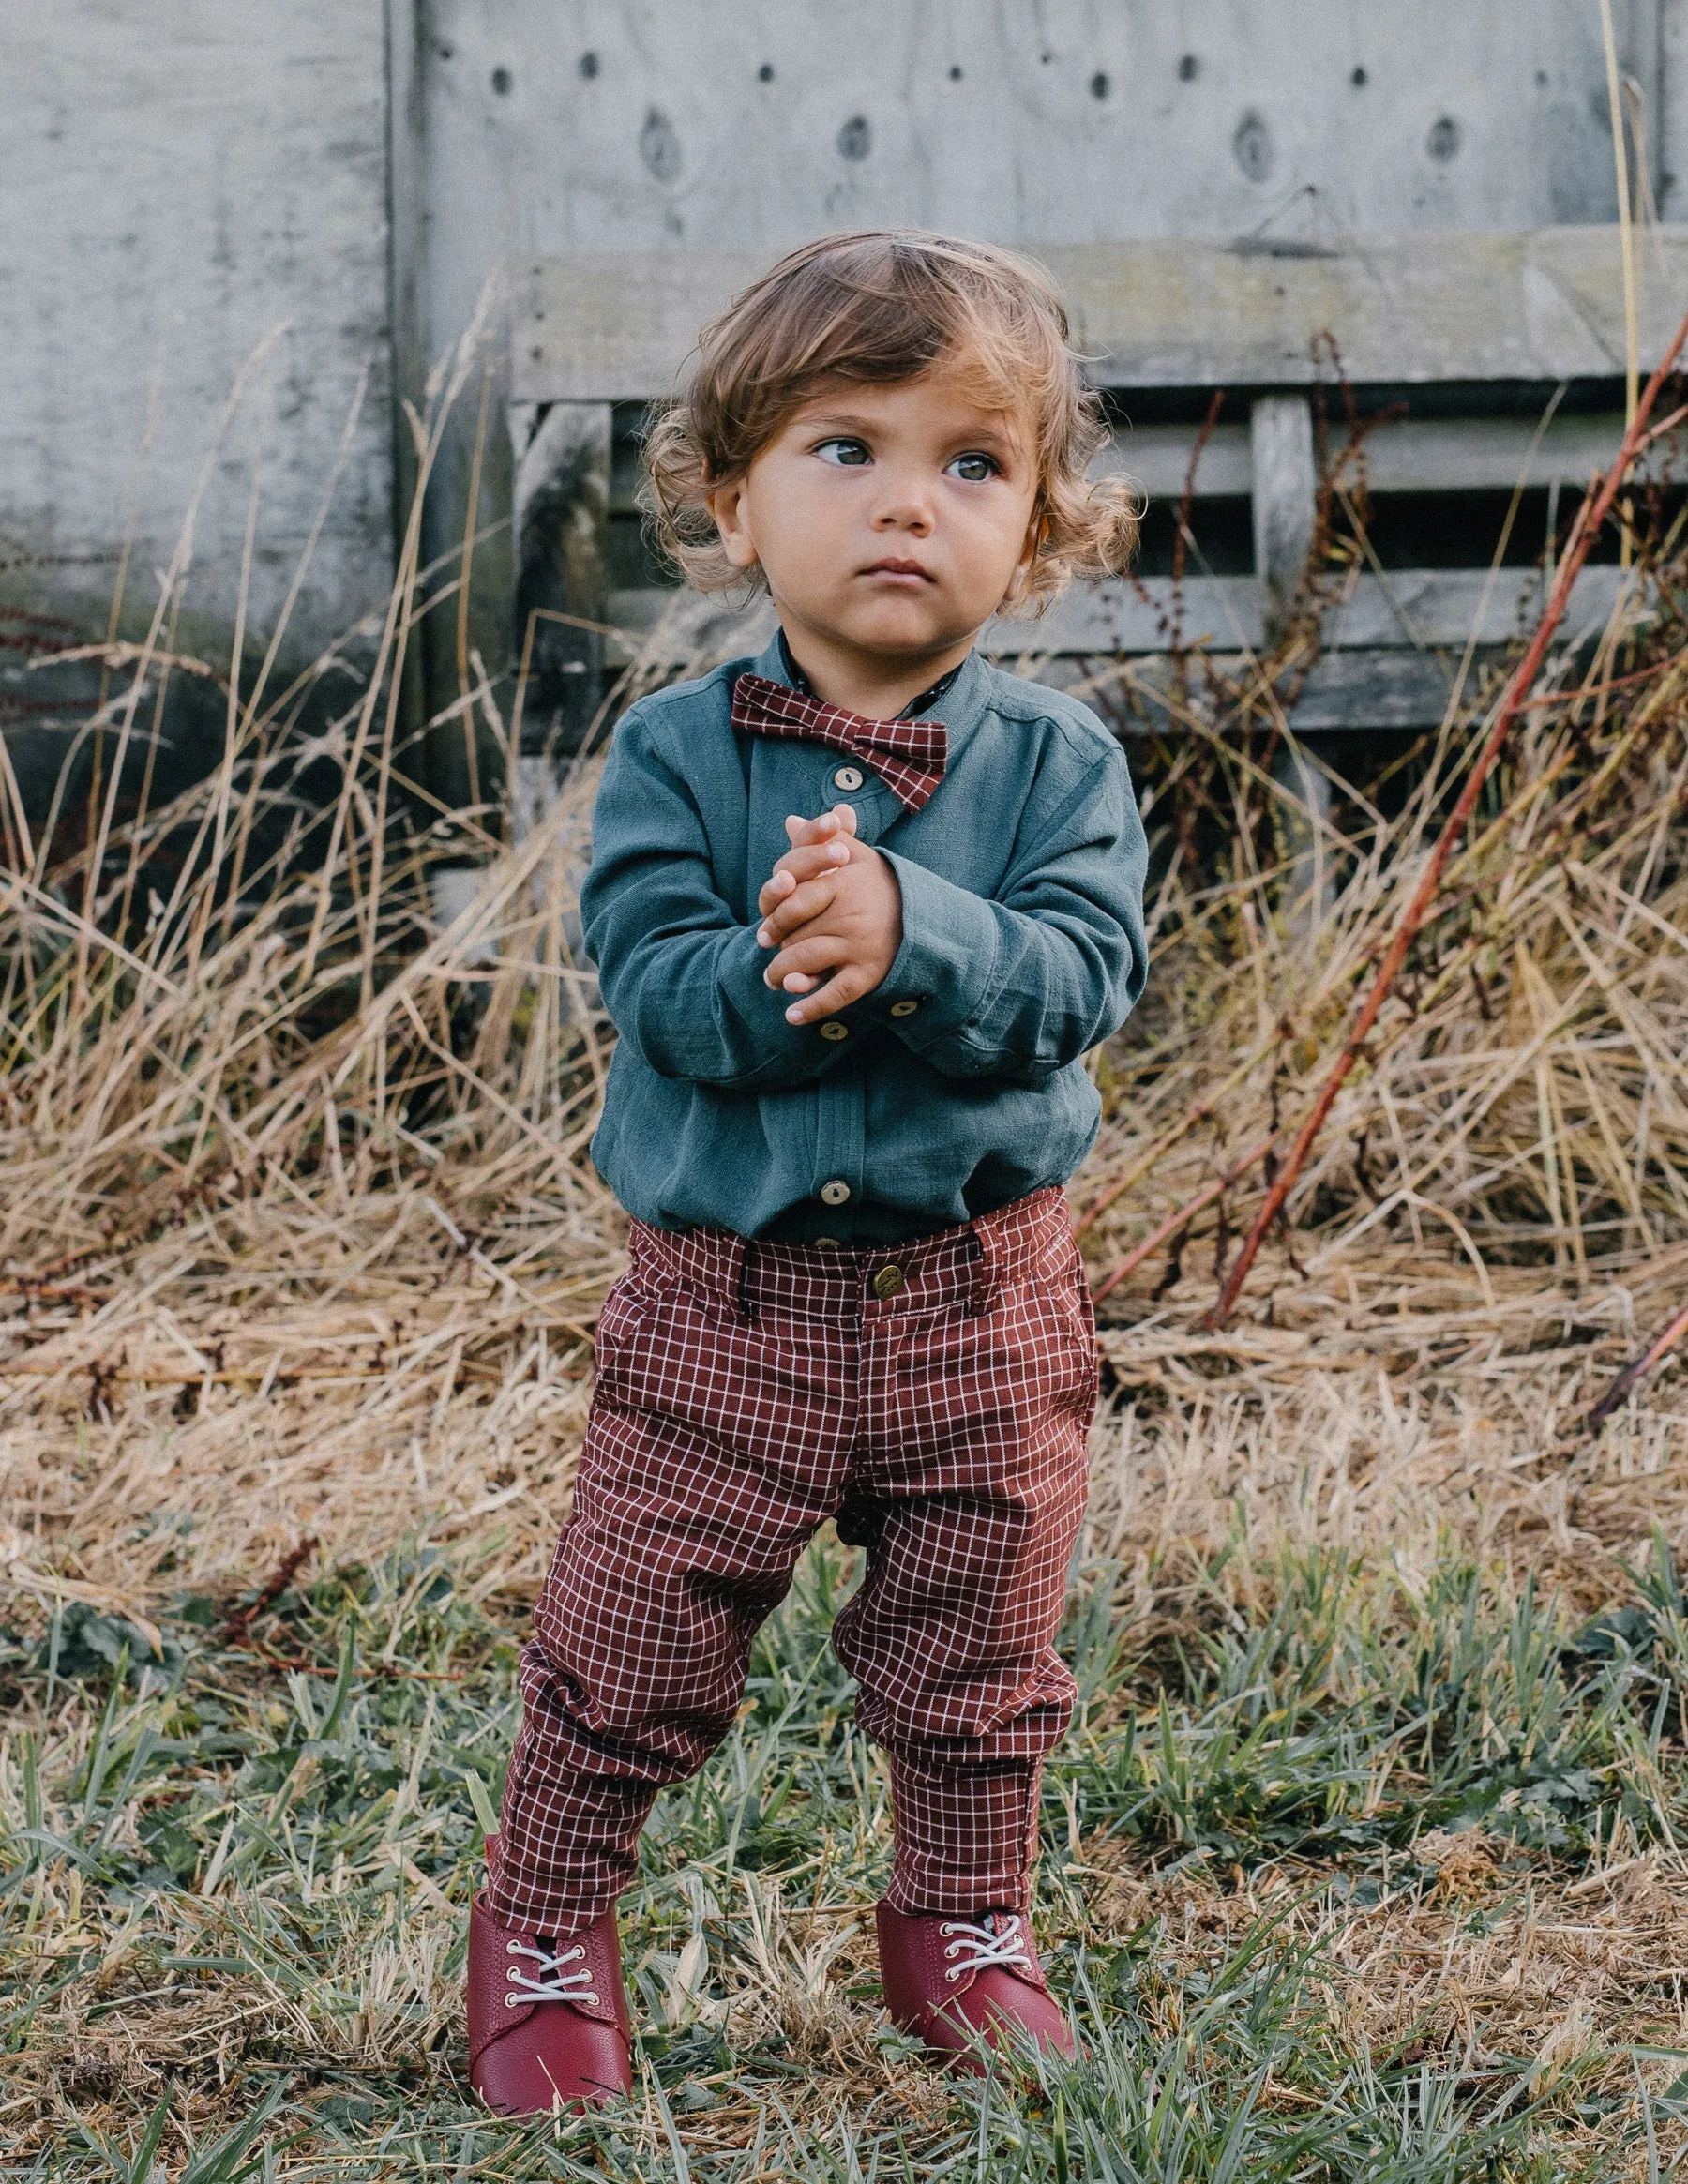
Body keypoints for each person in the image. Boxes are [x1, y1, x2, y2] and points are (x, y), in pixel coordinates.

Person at [466, 230, 1149, 2113]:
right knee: (633, 1633)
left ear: (1041, 522)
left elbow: (1080, 982)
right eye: (846, 449)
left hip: (988, 1305)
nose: (908, 505)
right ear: (731, 502)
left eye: (971, 463)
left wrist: (915, 929)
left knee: (981, 1646)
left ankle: (964, 1919)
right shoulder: (679, 754)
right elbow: (662, 990)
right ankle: (543, 1922)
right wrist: (803, 957)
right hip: (726, 1312)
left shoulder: (1061, 767)